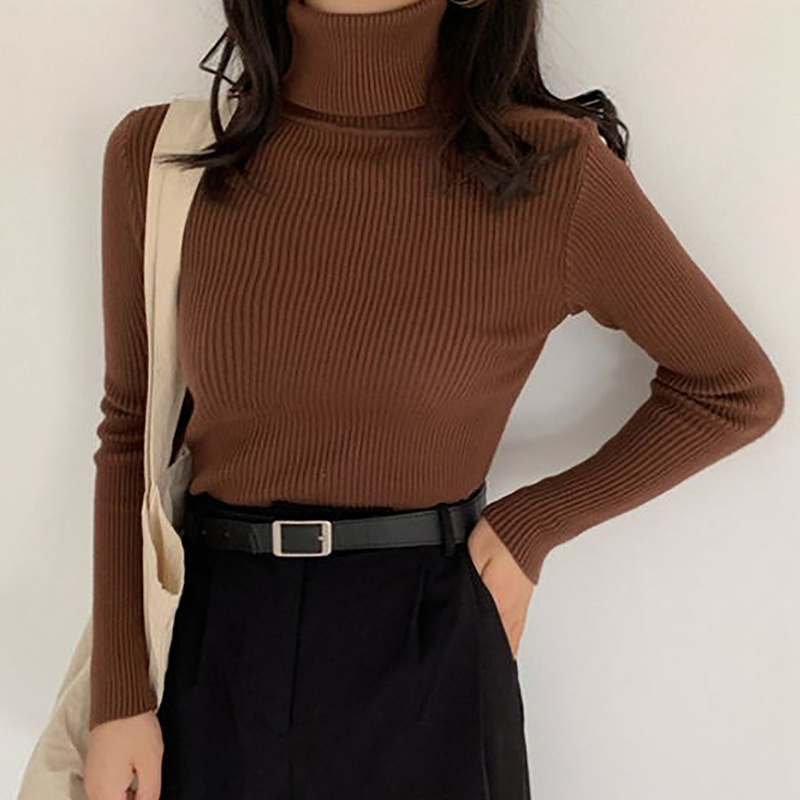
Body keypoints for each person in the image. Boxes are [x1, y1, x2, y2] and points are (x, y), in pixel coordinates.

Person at [82, 0, 784, 798]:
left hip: (431, 649)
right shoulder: (161, 158)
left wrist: (532, 525)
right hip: (211, 645)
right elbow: (131, 427)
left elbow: (733, 389)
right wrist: (118, 697)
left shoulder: (550, 170)